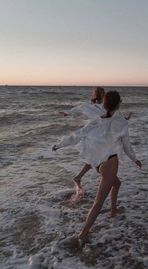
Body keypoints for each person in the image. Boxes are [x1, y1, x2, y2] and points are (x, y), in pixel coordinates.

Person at [52, 91, 141, 246]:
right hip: (110, 163)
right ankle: (83, 234)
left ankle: (113, 210)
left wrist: (59, 145)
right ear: (118, 104)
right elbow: (127, 146)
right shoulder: (121, 122)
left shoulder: (96, 120)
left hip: (98, 163)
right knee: (98, 202)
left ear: (104, 104)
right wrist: (135, 159)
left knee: (117, 184)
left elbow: (77, 135)